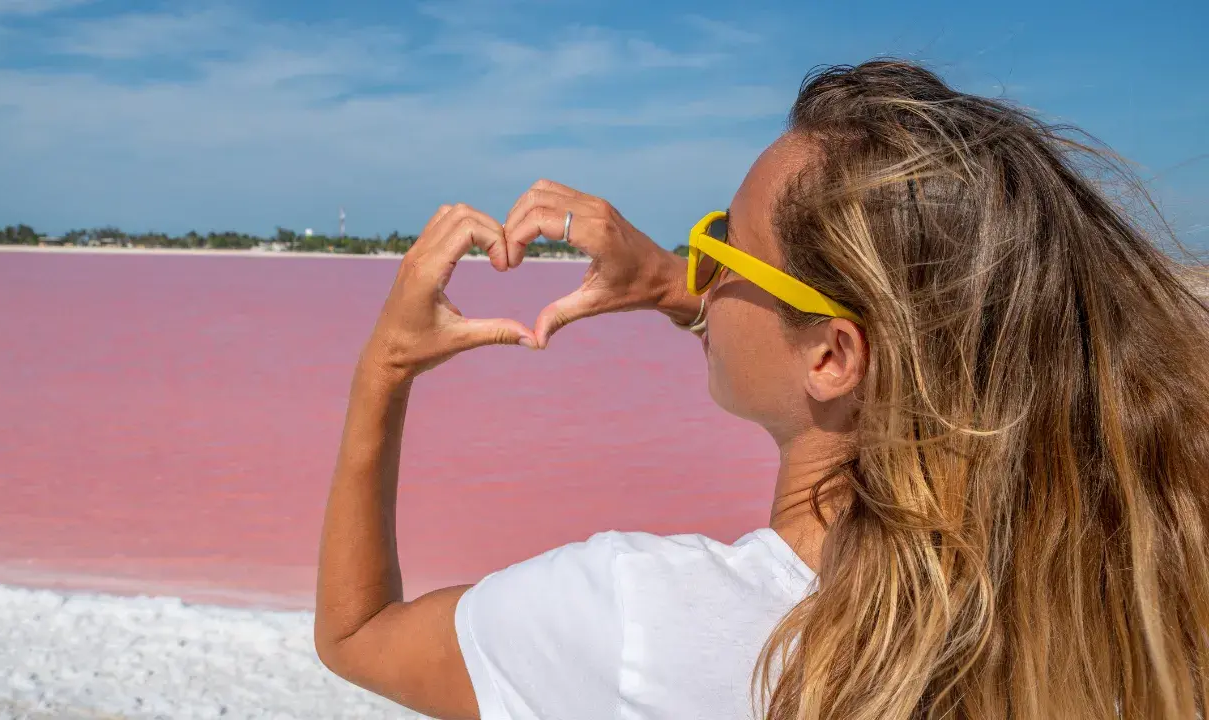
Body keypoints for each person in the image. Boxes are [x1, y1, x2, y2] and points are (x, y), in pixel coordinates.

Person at [314, 60, 1209, 719]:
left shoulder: (642, 623)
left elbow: (358, 634)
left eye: (723, 244)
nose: (699, 265)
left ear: (834, 359)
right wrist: (678, 286)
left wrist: (384, 367)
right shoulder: (1125, 590)